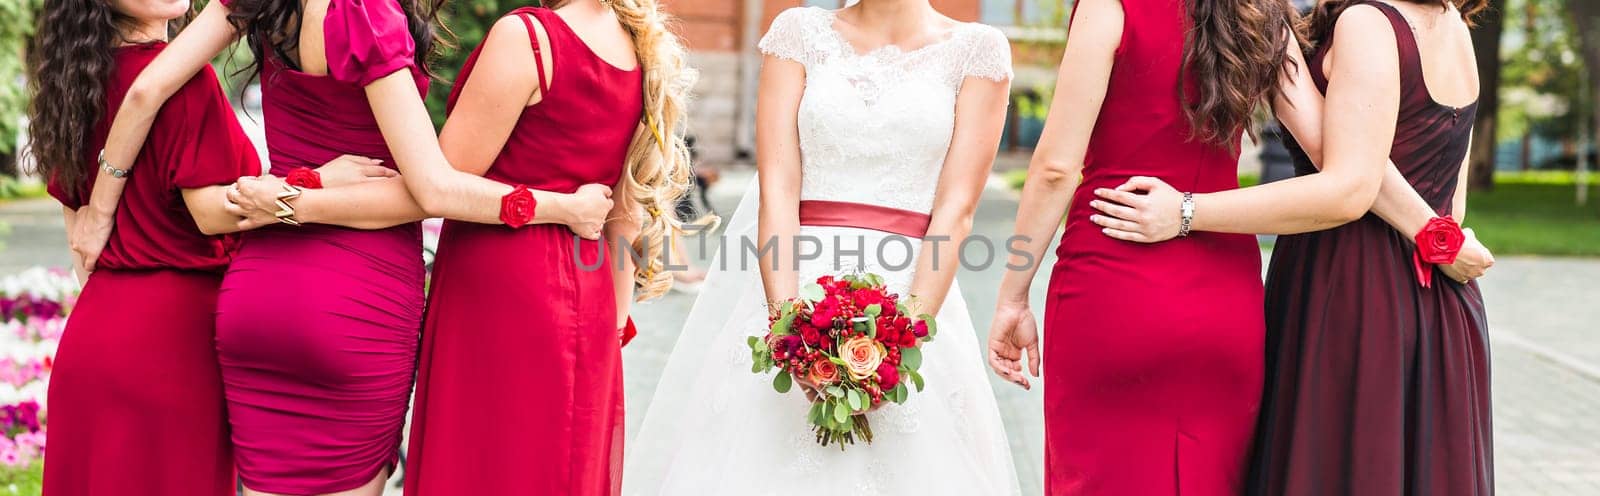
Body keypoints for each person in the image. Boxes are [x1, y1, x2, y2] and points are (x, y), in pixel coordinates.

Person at [61, 0, 615, 493]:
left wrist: (100, 208)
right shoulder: (368, 14)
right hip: (354, 298)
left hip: (257, 294)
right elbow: (434, 189)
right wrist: (557, 206)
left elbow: (146, 89)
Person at [979, 0, 1451, 491]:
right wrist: (1432, 229)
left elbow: (1055, 167)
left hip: (1112, 284)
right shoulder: (1260, 13)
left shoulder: (1109, 6)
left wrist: (1013, 295)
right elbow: (1337, 153)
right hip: (1225, 302)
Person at [625, 2, 1021, 494]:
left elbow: (957, 208)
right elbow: (779, 188)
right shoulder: (797, 32)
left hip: (912, 288)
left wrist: (901, 341)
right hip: (794, 285)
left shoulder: (977, 51)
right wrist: (789, 329)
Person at [402, 0, 693, 492]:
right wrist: (614, 324)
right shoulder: (636, 44)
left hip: (502, 286)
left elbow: (442, 182)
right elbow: (627, 211)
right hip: (592, 292)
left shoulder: (528, 37)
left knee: (485, 466)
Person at [27, 0, 256, 492]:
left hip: (93, 339)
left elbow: (80, 245)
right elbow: (212, 213)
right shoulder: (184, 81)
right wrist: (313, 186)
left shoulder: (73, 87)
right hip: (176, 348)